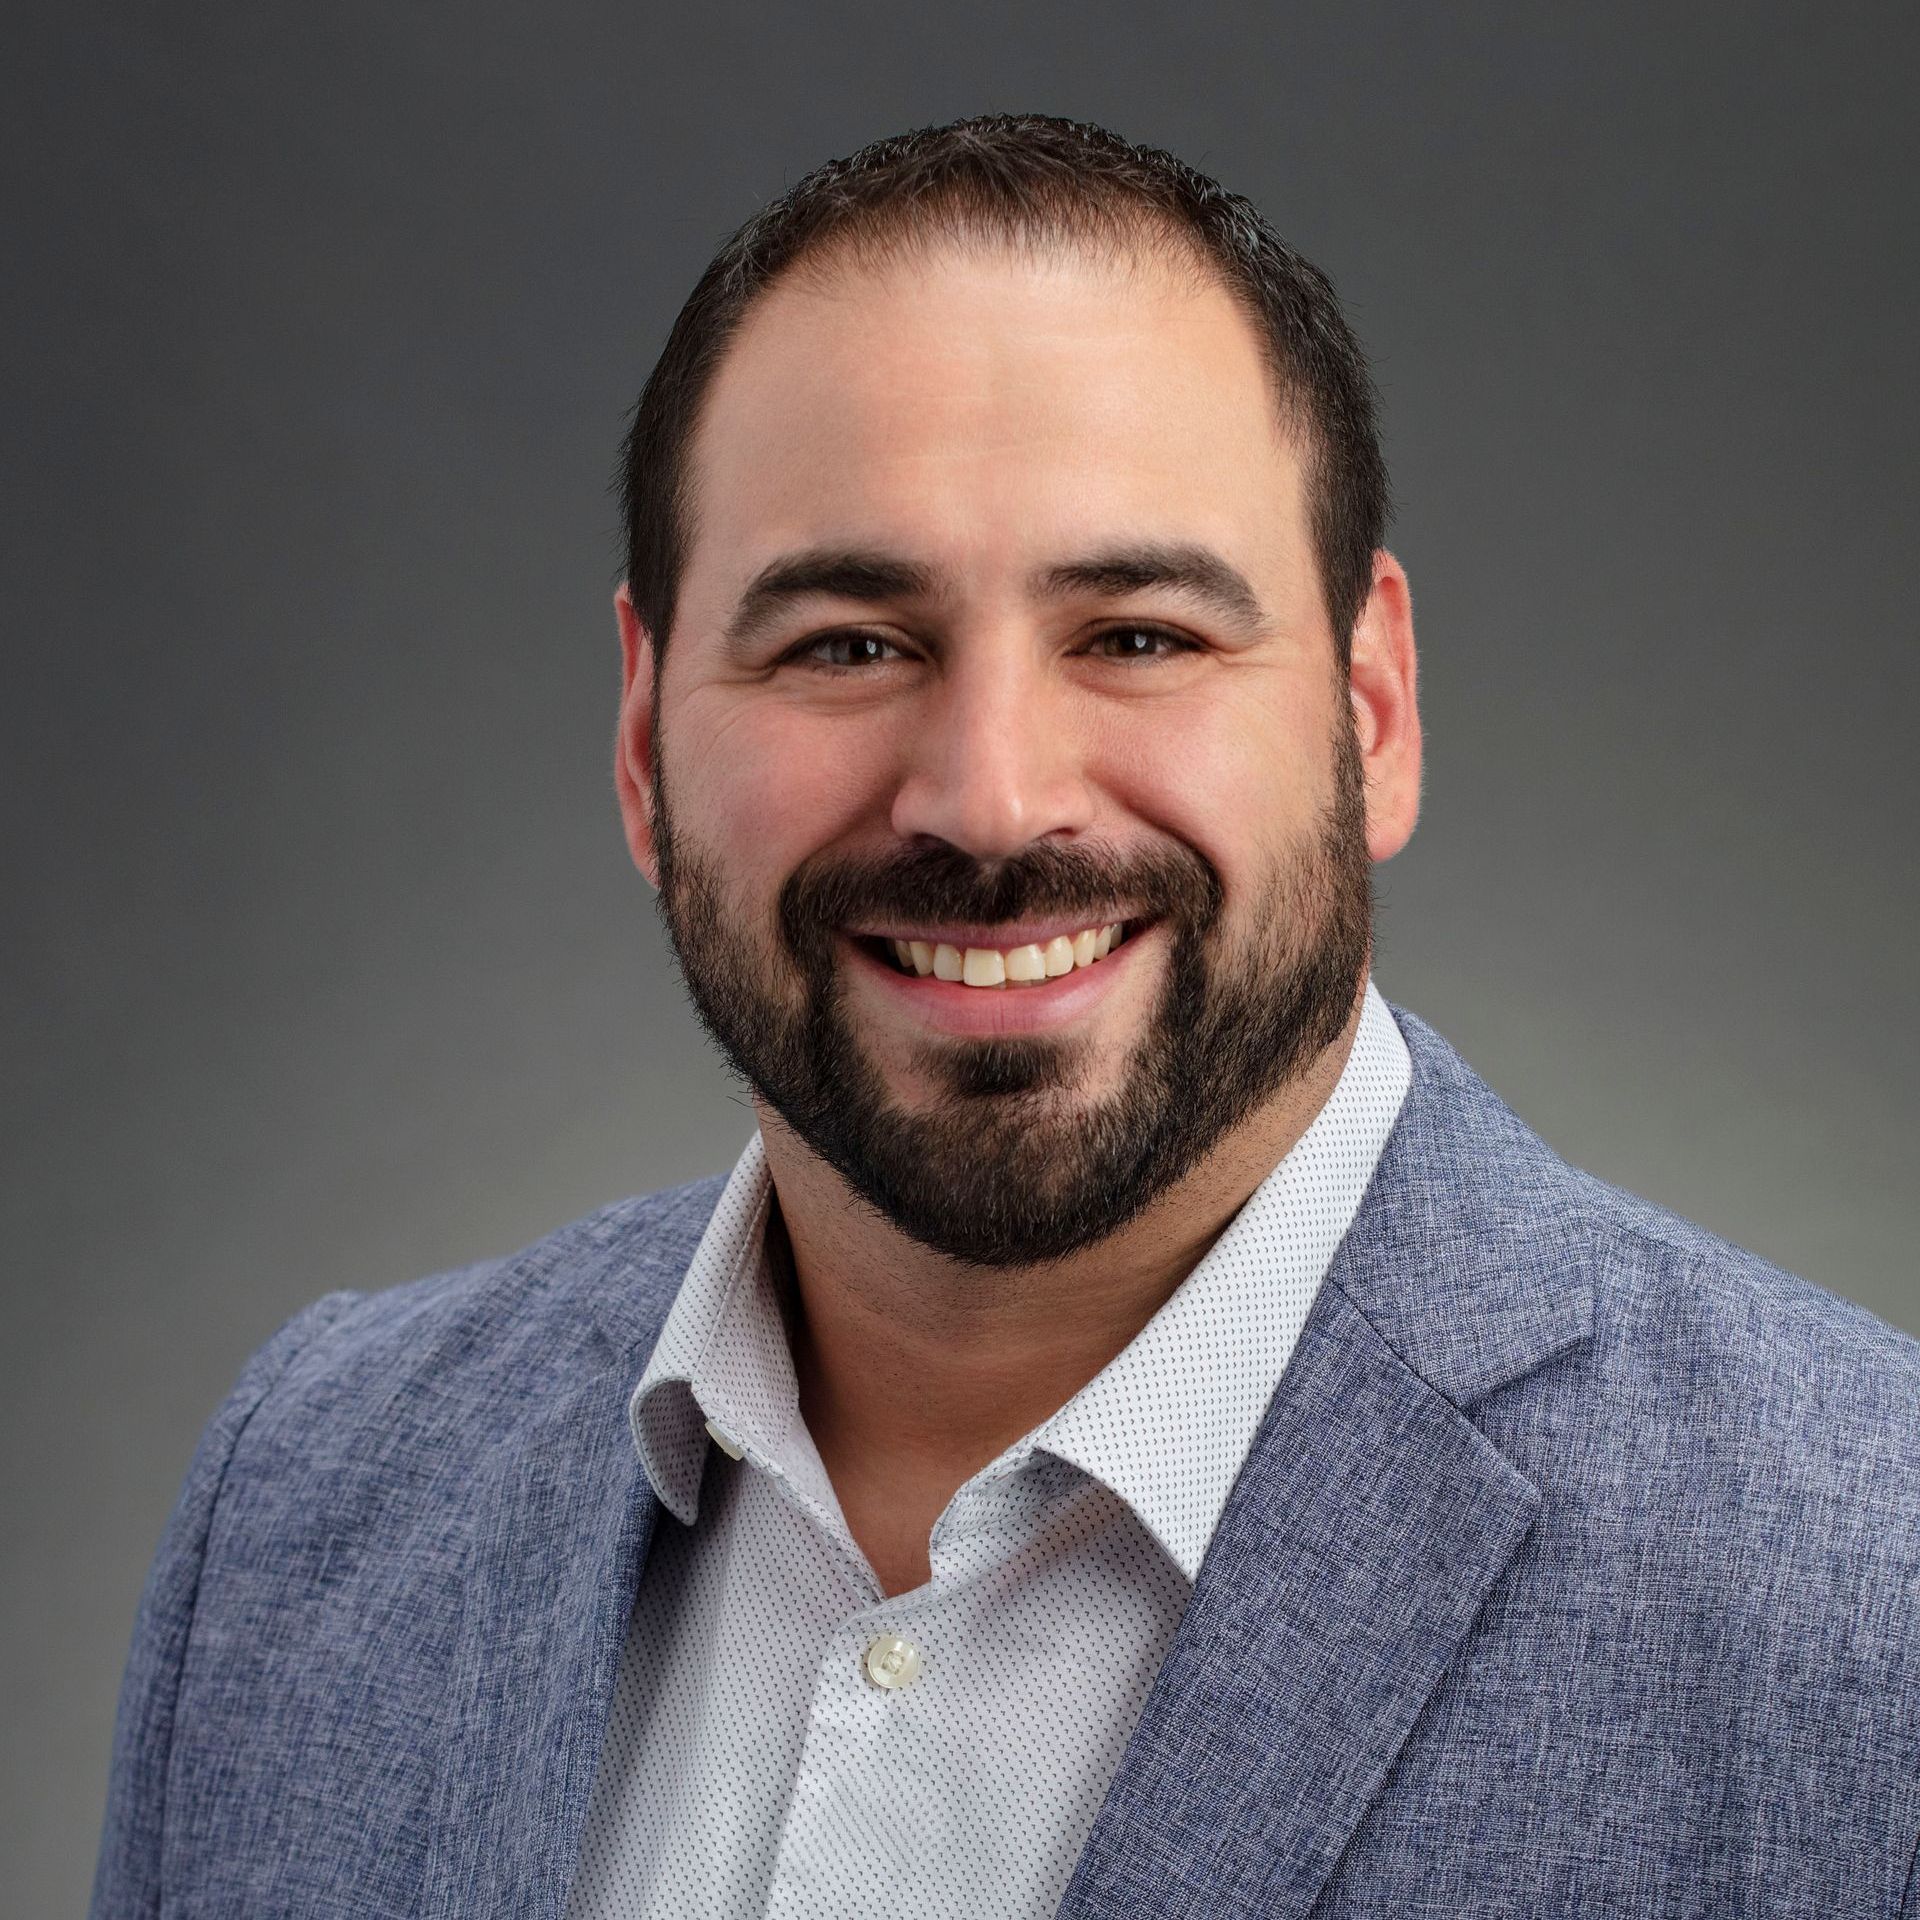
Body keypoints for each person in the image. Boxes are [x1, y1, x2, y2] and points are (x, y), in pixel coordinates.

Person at [91, 113, 1919, 1920]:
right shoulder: (306, 1500)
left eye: (1137, 634)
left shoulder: (1867, 1596)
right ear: (645, 741)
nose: (990, 798)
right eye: (846, 645)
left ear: (1373, 712)